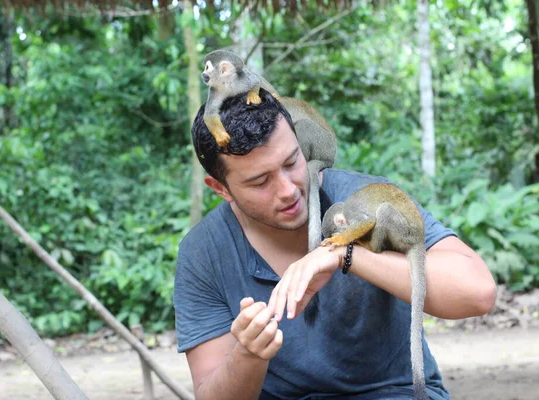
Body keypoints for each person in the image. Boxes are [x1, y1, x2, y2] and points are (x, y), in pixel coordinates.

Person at [173, 89, 496, 400]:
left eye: (291, 163)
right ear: (221, 189)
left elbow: (477, 294)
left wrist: (345, 253)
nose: (288, 190)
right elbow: (211, 393)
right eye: (260, 182)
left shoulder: (366, 196)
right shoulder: (204, 253)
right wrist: (248, 354)